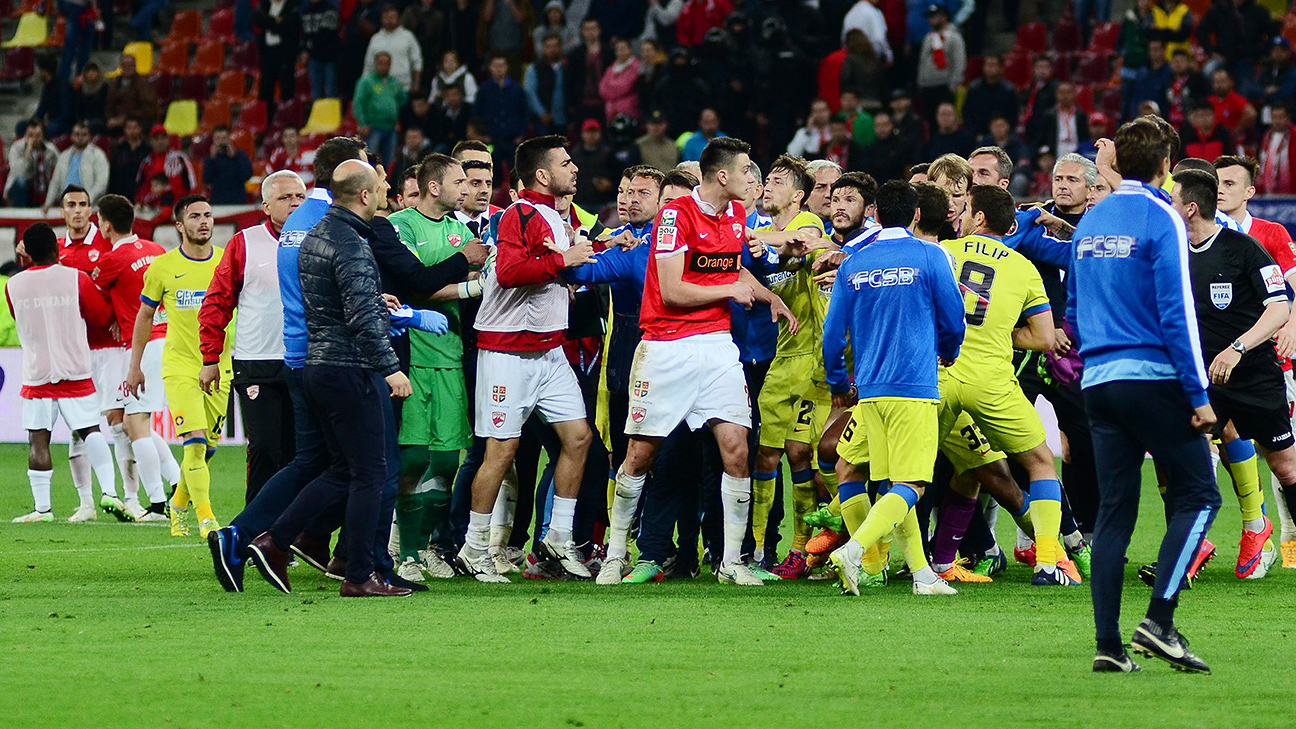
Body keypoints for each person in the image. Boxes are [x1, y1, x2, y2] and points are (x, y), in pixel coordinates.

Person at [604, 137, 797, 587]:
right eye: (747, 169)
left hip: (717, 347)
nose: (754, 178)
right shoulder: (675, 216)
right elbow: (672, 290)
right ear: (723, 176)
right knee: (639, 454)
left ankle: (731, 561)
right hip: (667, 346)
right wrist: (728, 292)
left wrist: (769, 297)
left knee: (736, 449)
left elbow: (732, 265)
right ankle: (616, 554)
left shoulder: (734, 215)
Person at [1068, 117, 1218, 674]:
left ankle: (1108, 646)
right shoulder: (1164, 218)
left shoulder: (1091, 220)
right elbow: (1178, 312)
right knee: (1200, 496)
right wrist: (1197, 393)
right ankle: (1159, 619)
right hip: (1151, 377)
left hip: (1098, 382)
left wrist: (1099, 361)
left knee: (1113, 517)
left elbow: (1075, 312)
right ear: (1165, 166)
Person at [246, 160, 417, 598]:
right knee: (370, 473)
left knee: (342, 469)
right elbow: (359, 319)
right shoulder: (353, 244)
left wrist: (377, 304)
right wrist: (390, 368)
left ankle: (274, 541)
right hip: (349, 368)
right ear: (364, 196)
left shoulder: (317, 236)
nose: (384, 194)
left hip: (318, 365)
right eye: (380, 188)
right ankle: (358, 575)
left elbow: (333, 305)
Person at [456, 134, 597, 583]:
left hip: (548, 351)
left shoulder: (557, 218)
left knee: (578, 439)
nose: (574, 168)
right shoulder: (520, 214)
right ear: (542, 174)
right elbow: (509, 272)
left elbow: (560, 268)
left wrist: (603, 252)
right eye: (566, 162)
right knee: (502, 451)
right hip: (506, 353)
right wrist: (564, 261)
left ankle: (557, 537)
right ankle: (474, 547)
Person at [823, 180, 966, 596]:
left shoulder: (855, 262)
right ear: (917, 214)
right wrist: (949, 350)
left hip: (869, 390)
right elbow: (953, 316)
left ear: (875, 215)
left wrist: (838, 381)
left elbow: (833, 334)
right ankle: (854, 551)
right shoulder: (929, 255)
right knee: (913, 486)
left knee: (892, 486)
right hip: (914, 386)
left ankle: (922, 575)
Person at [1172, 169, 1293, 582]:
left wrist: (1238, 348)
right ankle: (1188, 549)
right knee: (1182, 457)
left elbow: (1279, 308)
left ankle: (1262, 533)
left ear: (1190, 207)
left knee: (1286, 468)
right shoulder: (1174, 254)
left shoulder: (1244, 249)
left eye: (1173, 199)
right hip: (1203, 380)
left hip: (1254, 375)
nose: (1167, 206)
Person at [387, 154, 478, 581]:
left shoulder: (461, 230)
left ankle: (425, 549)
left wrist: (455, 285)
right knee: (413, 461)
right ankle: (405, 553)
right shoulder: (401, 226)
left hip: (451, 358)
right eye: (459, 181)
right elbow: (414, 282)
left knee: (445, 464)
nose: (467, 188)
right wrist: (468, 280)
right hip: (413, 359)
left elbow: (441, 284)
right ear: (434, 187)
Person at [128, 196, 234, 540]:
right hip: (179, 366)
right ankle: (207, 520)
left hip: (220, 368)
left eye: (208, 215)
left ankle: (178, 504)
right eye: (195, 216)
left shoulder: (227, 262)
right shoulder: (162, 267)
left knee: (209, 449)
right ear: (180, 225)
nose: (203, 221)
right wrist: (135, 366)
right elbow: (145, 316)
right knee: (195, 443)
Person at [198, 171, 307, 504]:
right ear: (265, 205)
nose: (294, 203)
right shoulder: (245, 242)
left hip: (305, 361)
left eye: (300, 197)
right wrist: (210, 358)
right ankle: (255, 530)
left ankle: (289, 534)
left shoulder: (317, 241)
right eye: (286, 198)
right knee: (264, 448)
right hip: (257, 361)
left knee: (299, 452)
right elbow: (217, 302)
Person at [748, 155, 829, 579]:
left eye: (777, 182)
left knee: (802, 454)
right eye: (766, 181)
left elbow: (799, 240)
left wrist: (768, 243)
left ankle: (805, 548)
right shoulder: (760, 235)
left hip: (814, 361)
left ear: (798, 194)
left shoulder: (810, 225)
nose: (767, 188)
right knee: (764, 455)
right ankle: (760, 548)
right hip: (782, 357)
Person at [1214, 154, 1296, 567]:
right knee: (1203, 451)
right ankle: (1248, 536)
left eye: (1231, 183)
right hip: (1213, 365)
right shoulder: (1196, 235)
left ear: (1250, 192)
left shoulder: (1270, 233)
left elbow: (1292, 286)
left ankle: (1286, 538)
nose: (1221, 190)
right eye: (1217, 183)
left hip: (1267, 363)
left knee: (1283, 458)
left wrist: (1293, 324)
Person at [7, 223, 118, 524]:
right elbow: (100, 316)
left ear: (26, 252)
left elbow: (17, 315)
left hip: (36, 372)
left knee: (37, 439)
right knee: (90, 431)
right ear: (57, 250)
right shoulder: (76, 279)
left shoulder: (13, 285)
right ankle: (110, 493)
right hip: (75, 368)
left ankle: (43, 510)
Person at [89, 194, 174, 521]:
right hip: (167, 339)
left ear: (106, 225)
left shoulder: (111, 260)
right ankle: (178, 480)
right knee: (135, 422)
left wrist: (112, 316)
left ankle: (156, 504)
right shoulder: (155, 250)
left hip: (141, 344)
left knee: (134, 423)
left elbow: (94, 298)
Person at [56, 184, 135, 520]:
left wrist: (120, 316)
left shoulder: (107, 242)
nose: (77, 210)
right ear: (62, 211)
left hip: (111, 347)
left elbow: (129, 280)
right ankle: (87, 503)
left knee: (119, 423)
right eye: (71, 204)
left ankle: (130, 499)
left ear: (92, 211)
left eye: (83, 204)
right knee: (79, 428)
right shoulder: (54, 250)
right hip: (76, 351)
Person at [354, 53, 409, 164]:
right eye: (380, 63)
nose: (383, 66)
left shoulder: (394, 83)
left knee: (391, 161)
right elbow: (358, 103)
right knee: (369, 160)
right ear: (375, 64)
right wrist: (363, 123)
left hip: (391, 127)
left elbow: (403, 100)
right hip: (373, 127)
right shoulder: (366, 81)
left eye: (386, 63)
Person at [43, 122, 109, 213]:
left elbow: (101, 183)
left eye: (84, 135)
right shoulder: (64, 156)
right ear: (71, 136)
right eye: (77, 134)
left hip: (89, 207)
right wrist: (47, 203)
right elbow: (55, 182)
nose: (80, 137)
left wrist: (87, 200)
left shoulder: (98, 155)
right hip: (66, 204)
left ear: (90, 137)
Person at [915, 5, 965, 123]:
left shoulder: (954, 37)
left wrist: (954, 84)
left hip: (944, 86)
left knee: (946, 119)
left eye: (934, 16)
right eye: (930, 17)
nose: (931, 20)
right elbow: (922, 62)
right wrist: (920, 82)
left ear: (944, 17)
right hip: (927, 86)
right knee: (930, 120)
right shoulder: (928, 37)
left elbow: (959, 62)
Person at [364, 5, 424, 92]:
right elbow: (368, 66)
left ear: (398, 18)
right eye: (386, 17)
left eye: (392, 17)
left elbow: (417, 62)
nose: (389, 20)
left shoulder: (408, 36)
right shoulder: (375, 39)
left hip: (403, 87)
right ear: (381, 19)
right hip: (380, 88)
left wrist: (416, 84)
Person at [253, 0, 301, 104]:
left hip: (285, 54)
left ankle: (287, 118)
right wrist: (275, 21)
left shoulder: (292, 6)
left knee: (286, 89)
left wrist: (268, 22)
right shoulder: (264, 4)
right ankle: (267, 118)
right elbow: (255, 18)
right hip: (267, 53)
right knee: (265, 89)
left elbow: (287, 27)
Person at [135, 125, 196, 204]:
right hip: (153, 209)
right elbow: (140, 189)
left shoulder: (180, 158)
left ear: (168, 139)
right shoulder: (146, 163)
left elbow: (193, 184)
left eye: (163, 138)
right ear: (151, 141)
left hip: (177, 207)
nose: (160, 141)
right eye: (156, 138)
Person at [523, 33, 569, 135]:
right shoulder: (534, 68)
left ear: (560, 47)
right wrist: (541, 112)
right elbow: (530, 93)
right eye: (548, 47)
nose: (552, 50)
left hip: (563, 118)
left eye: (555, 46)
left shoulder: (567, 67)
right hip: (542, 119)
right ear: (543, 48)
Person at [5, 120, 59, 207]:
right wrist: (28, 154)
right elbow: (18, 173)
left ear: (43, 135)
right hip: (21, 189)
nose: (34, 138)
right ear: (25, 134)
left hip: (43, 188)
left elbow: (61, 168)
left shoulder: (50, 149)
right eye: (30, 135)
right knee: (20, 182)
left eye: (37, 135)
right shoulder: (17, 147)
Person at [963, 55, 1018, 137]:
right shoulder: (974, 89)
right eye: (988, 65)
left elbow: (1013, 115)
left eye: (994, 65)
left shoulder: (1008, 90)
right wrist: (974, 133)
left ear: (1001, 68)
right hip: (978, 135)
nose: (990, 68)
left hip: (1003, 136)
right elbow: (967, 113)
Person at [104, 54, 158, 133]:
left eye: (130, 65)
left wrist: (126, 118)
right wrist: (110, 118)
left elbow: (148, 109)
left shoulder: (143, 83)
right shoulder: (115, 82)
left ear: (135, 66)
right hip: (116, 119)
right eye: (125, 65)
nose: (127, 68)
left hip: (137, 119)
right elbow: (109, 104)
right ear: (121, 66)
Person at [203, 126, 255, 205]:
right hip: (218, 200)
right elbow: (207, 179)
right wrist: (211, 160)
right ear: (213, 140)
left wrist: (235, 157)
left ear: (229, 139)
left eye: (224, 138)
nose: (221, 142)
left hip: (238, 199)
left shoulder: (240, 155)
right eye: (218, 139)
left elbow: (247, 175)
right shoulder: (210, 159)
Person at [108, 117, 149, 199]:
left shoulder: (147, 149)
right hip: (122, 190)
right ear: (124, 130)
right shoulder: (119, 149)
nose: (132, 131)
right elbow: (114, 173)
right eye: (129, 128)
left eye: (135, 128)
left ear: (140, 129)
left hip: (140, 190)